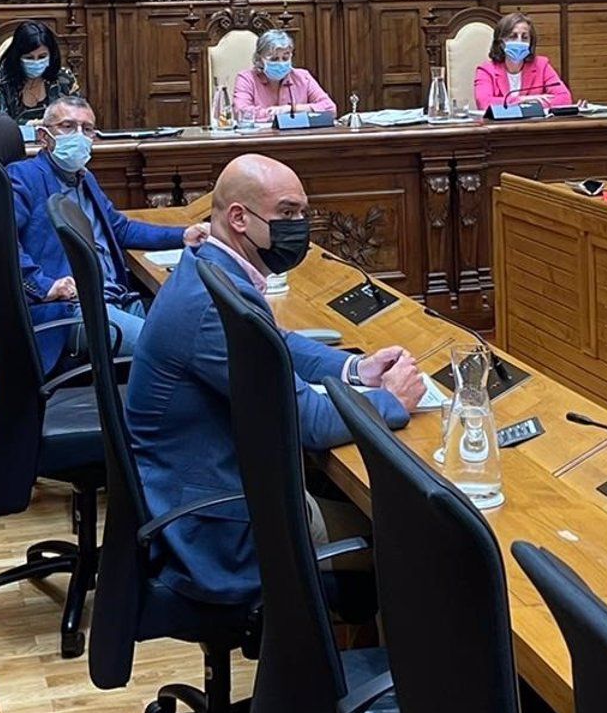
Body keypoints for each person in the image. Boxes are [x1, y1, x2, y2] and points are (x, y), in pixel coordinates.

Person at [125, 153, 425, 606]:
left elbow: (276, 343)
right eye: (287, 214)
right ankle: (349, 673)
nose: (299, 225)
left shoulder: (211, 270)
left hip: (215, 493)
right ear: (240, 218)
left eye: (303, 213)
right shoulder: (212, 304)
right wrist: (392, 402)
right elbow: (309, 422)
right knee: (415, 543)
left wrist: (354, 369)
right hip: (218, 530)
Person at [9, 94, 208, 367]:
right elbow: (1, 242)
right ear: (44, 136)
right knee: (171, 355)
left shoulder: (84, 178)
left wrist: (182, 236)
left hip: (119, 298)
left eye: (87, 129)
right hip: (75, 310)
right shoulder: (23, 176)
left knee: (200, 333)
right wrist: (44, 286)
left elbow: (120, 229)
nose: (79, 135)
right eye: (68, 127)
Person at [472, 13, 573, 111]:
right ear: (501, 43)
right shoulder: (486, 70)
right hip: (500, 127)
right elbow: (484, 103)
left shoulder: (542, 65)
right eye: (513, 36)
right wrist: (521, 100)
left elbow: (565, 98)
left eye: (524, 38)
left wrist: (521, 104)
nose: (519, 42)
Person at [231, 28, 336, 122]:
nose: (281, 63)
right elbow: (241, 112)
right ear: (259, 59)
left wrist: (292, 109)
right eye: (274, 59)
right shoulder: (246, 79)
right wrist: (276, 114)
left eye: (285, 58)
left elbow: (330, 109)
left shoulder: (303, 77)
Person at [0, 20, 76, 125]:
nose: (36, 62)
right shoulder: (1, 79)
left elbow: (78, 116)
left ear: (51, 55)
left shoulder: (64, 78)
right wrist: (35, 124)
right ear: (17, 57)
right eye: (29, 58)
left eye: (42, 57)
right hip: (15, 140)